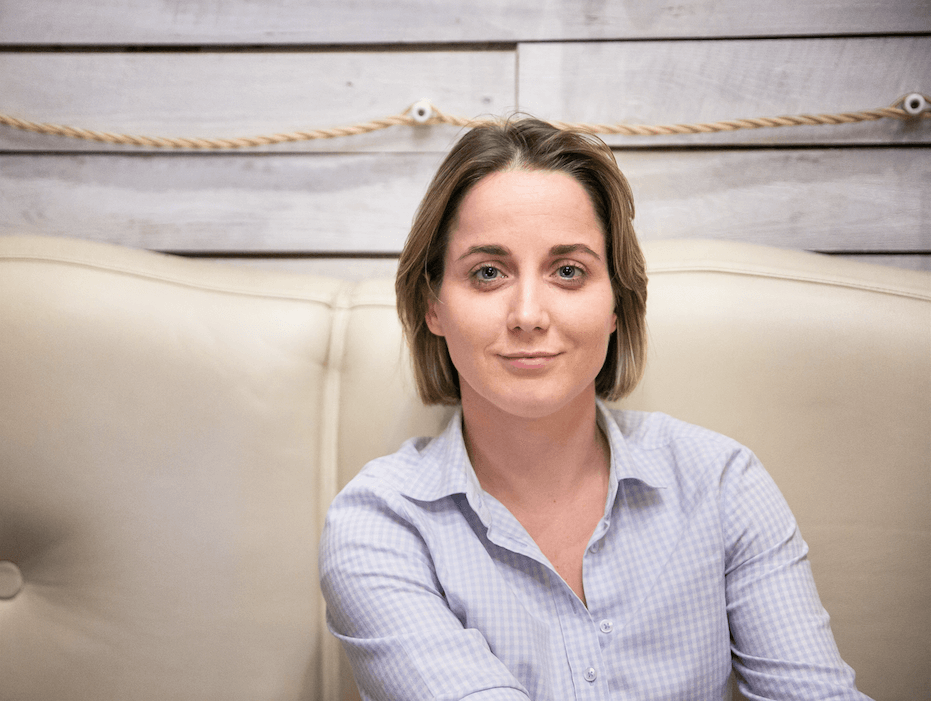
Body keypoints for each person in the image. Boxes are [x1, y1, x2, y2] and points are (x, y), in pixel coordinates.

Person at [319, 117, 868, 700]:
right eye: (488, 272)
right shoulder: (379, 524)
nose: (528, 315)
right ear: (433, 306)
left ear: (616, 306)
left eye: (568, 271)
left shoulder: (722, 483)